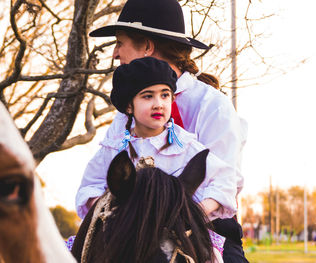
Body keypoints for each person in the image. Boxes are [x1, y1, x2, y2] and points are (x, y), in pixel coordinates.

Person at [77, 0, 248, 262]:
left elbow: (225, 182)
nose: (115, 53)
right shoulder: (126, 116)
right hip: (131, 229)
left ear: (147, 46)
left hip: (206, 228)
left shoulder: (213, 106)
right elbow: (99, 179)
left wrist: (167, 214)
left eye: (120, 43)